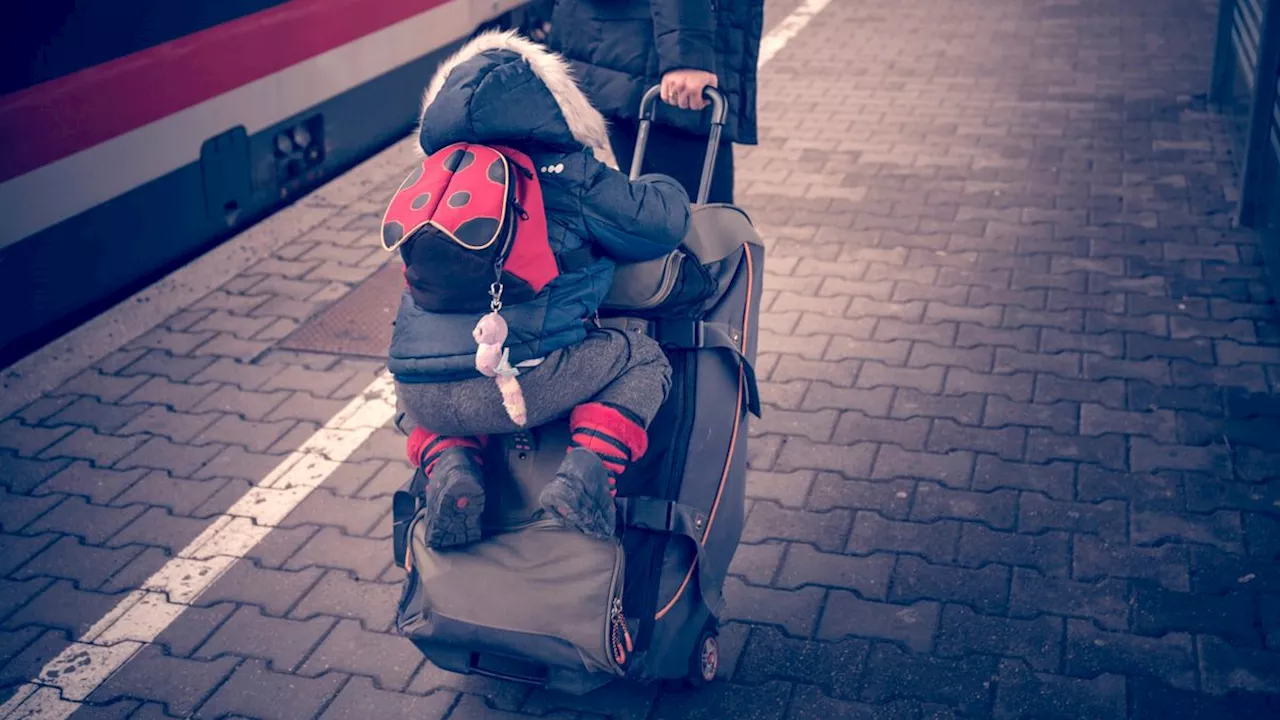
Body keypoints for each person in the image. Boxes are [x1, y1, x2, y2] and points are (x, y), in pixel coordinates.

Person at [384, 30, 692, 549]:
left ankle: (450, 461)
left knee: (424, 367)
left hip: (419, 399)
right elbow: (659, 224)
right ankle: (587, 475)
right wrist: (666, 186)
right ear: (550, 106)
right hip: (518, 391)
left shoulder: (431, 176)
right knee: (644, 359)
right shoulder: (568, 173)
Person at [545, 0, 765, 204]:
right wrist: (686, 55)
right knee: (697, 220)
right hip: (654, 59)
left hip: (624, 47)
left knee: (654, 212)